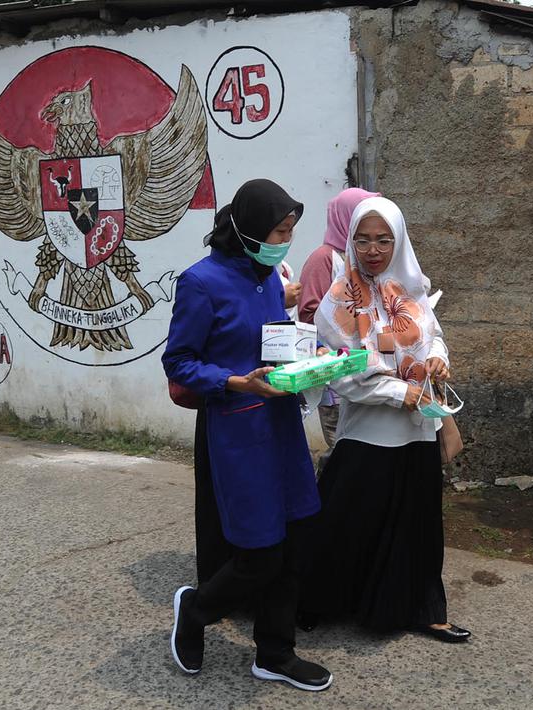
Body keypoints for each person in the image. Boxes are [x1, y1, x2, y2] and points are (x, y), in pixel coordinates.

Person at [162, 179, 332, 691]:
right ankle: (195, 609)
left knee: (297, 539)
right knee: (259, 554)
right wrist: (235, 381)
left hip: (281, 424)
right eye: (280, 230)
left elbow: (273, 345)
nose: (286, 240)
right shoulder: (201, 282)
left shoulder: (266, 280)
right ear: (250, 228)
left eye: (290, 231)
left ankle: (275, 653)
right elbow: (179, 361)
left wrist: (312, 360)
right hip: (239, 431)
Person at [302, 196, 470, 643]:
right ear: (350, 241)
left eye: (383, 239)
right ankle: (314, 601)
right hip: (370, 434)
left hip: (418, 431)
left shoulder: (410, 290)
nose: (373, 249)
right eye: (363, 239)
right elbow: (348, 375)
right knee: (348, 522)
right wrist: (404, 393)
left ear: (398, 242)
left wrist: (436, 361)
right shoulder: (337, 303)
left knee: (418, 525)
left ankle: (423, 609)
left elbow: (434, 338)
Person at [297, 188, 378, 463]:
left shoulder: (363, 258)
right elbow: (308, 315)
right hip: (334, 373)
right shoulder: (324, 258)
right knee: (344, 451)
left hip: (366, 369)